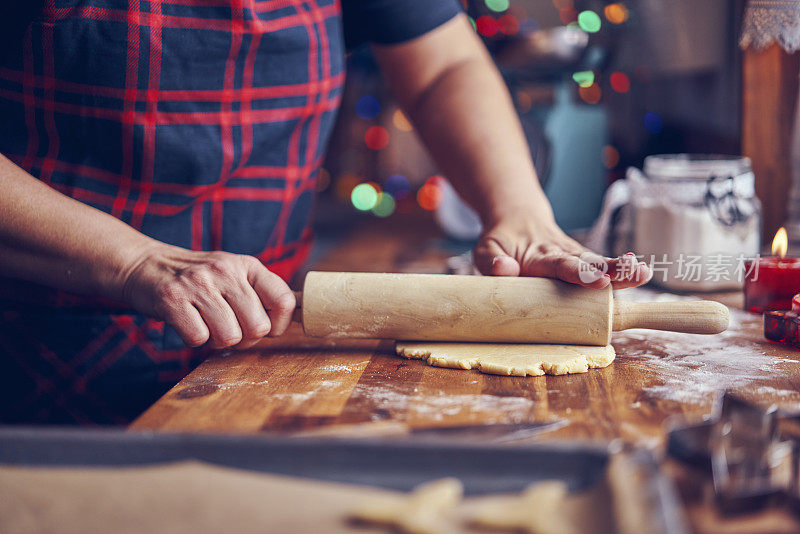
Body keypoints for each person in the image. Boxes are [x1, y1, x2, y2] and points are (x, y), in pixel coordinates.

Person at [0, 0, 651, 424]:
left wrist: (520, 214)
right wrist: (133, 260)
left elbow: (441, 63)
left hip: (260, 350)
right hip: (38, 360)